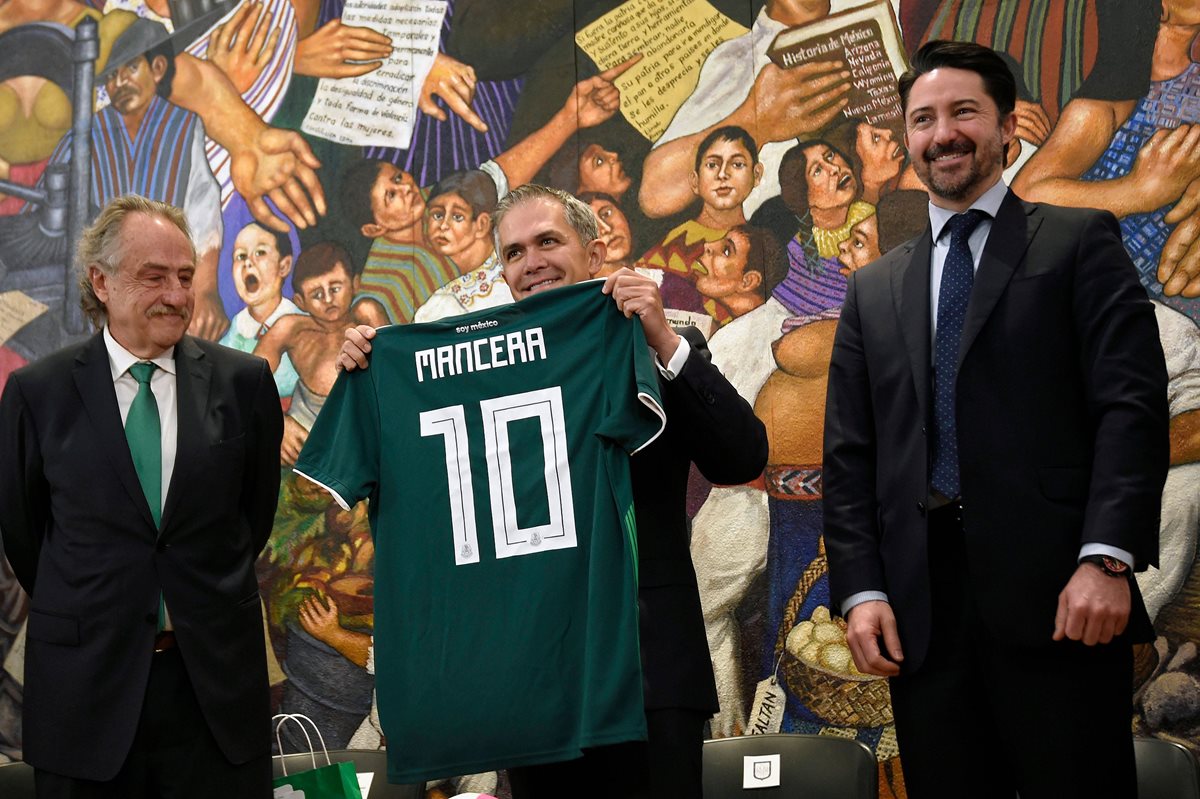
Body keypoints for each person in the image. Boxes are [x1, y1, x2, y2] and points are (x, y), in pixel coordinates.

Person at [337, 184, 768, 798]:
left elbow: (741, 456)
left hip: (648, 674)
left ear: (595, 253)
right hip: (535, 678)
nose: (531, 262)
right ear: (504, 273)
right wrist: (373, 371)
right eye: (513, 252)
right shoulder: (479, 370)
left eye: (547, 241)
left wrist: (663, 342)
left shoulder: (658, 339)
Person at [823, 40, 1169, 797]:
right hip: (922, 617)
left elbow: (1131, 407)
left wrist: (1106, 557)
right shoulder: (874, 289)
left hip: (1063, 600)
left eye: (963, 112)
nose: (942, 132)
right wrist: (860, 589)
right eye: (923, 119)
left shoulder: (1080, 241)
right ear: (909, 140)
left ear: (1008, 127)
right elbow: (850, 460)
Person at [0, 194, 283, 797]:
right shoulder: (37, 394)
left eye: (185, 277)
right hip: (87, 694)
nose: (177, 295)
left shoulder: (245, 384)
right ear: (100, 282)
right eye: (153, 277)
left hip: (212, 694)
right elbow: (29, 540)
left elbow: (250, 520)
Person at [254, 241, 387, 464]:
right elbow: (247, 378)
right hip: (305, 428)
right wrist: (279, 422)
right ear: (300, 301)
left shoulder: (365, 314)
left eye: (335, 288)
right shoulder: (291, 328)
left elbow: (396, 371)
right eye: (316, 294)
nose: (328, 299)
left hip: (364, 422)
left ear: (355, 284)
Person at [219, 220, 302, 397]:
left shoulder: (300, 324)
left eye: (260, 253)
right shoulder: (236, 331)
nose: (248, 263)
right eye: (240, 256)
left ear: (284, 266)